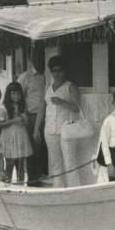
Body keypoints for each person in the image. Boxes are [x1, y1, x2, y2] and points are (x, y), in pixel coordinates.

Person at [36, 56, 80, 186]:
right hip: (50, 130)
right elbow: (41, 109)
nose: (57, 73)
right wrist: (36, 129)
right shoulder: (48, 87)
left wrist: (62, 102)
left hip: (67, 130)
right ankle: (58, 190)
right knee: (55, 163)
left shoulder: (70, 87)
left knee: (69, 162)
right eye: (54, 70)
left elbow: (77, 108)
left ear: (65, 71)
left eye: (60, 70)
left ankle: (74, 191)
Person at [0, 81, 33, 184]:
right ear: (8, 94)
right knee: (10, 162)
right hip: (8, 137)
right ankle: (7, 185)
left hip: (21, 135)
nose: (16, 96)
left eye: (18, 93)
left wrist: (25, 119)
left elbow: (26, 123)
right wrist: (14, 120)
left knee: (21, 163)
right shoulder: (3, 108)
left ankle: (20, 183)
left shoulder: (23, 107)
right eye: (13, 94)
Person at [18, 53, 47, 178]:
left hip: (49, 117)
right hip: (32, 117)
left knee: (44, 149)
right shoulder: (25, 77)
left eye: (41, 56)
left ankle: (44, 175)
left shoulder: (48, 75)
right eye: (36, 57)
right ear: (31, 59)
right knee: (32, 149)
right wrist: (23, 114)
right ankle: (33, 180)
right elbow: (18, 97)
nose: (39, 59)